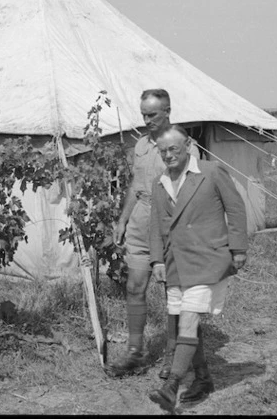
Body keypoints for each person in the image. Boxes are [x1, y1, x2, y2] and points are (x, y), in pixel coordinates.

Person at [147, 125, 247, 412]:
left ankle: (172, 385)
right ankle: (203, 380)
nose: (167, 155)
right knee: (182, 323)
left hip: (207, 259)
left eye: (173, 149)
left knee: (189, 318)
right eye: (162, 150)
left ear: (189, 145)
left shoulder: (211, 172)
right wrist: (156, 260)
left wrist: (238, 248)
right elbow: (156, 225)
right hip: (176, 262)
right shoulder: (159, 183)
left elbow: (236, 208)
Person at [106, 89, 199, 378]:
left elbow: (191, 190)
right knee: (134, 287)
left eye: (152, 115)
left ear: (168, 111)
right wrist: (123, 220)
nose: (146, 120)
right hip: (139, 221)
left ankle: (174, 357)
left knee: (173, 293)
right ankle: (135, 351)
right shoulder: (142, 145)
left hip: (169, 223)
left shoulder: (184, 146)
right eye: (143, 114)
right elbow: (136, 183)